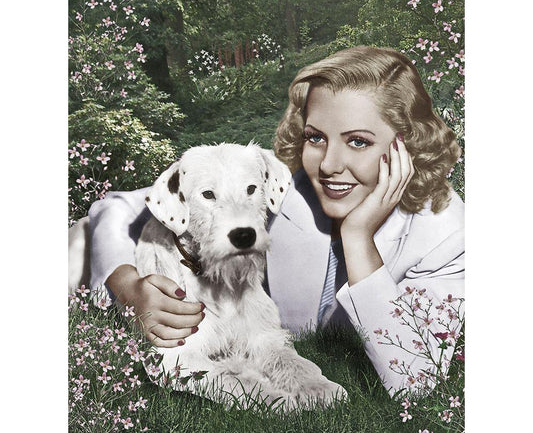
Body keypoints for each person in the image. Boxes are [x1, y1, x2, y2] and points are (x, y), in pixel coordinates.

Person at [85, 46, 464, 395]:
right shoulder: (285, 189)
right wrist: (128, 287)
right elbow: (116, 208)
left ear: (407, 144)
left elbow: (416, 380)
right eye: (316, 138)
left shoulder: (447, 236)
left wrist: (358, 239)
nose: (329, 166)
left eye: (358, 141)